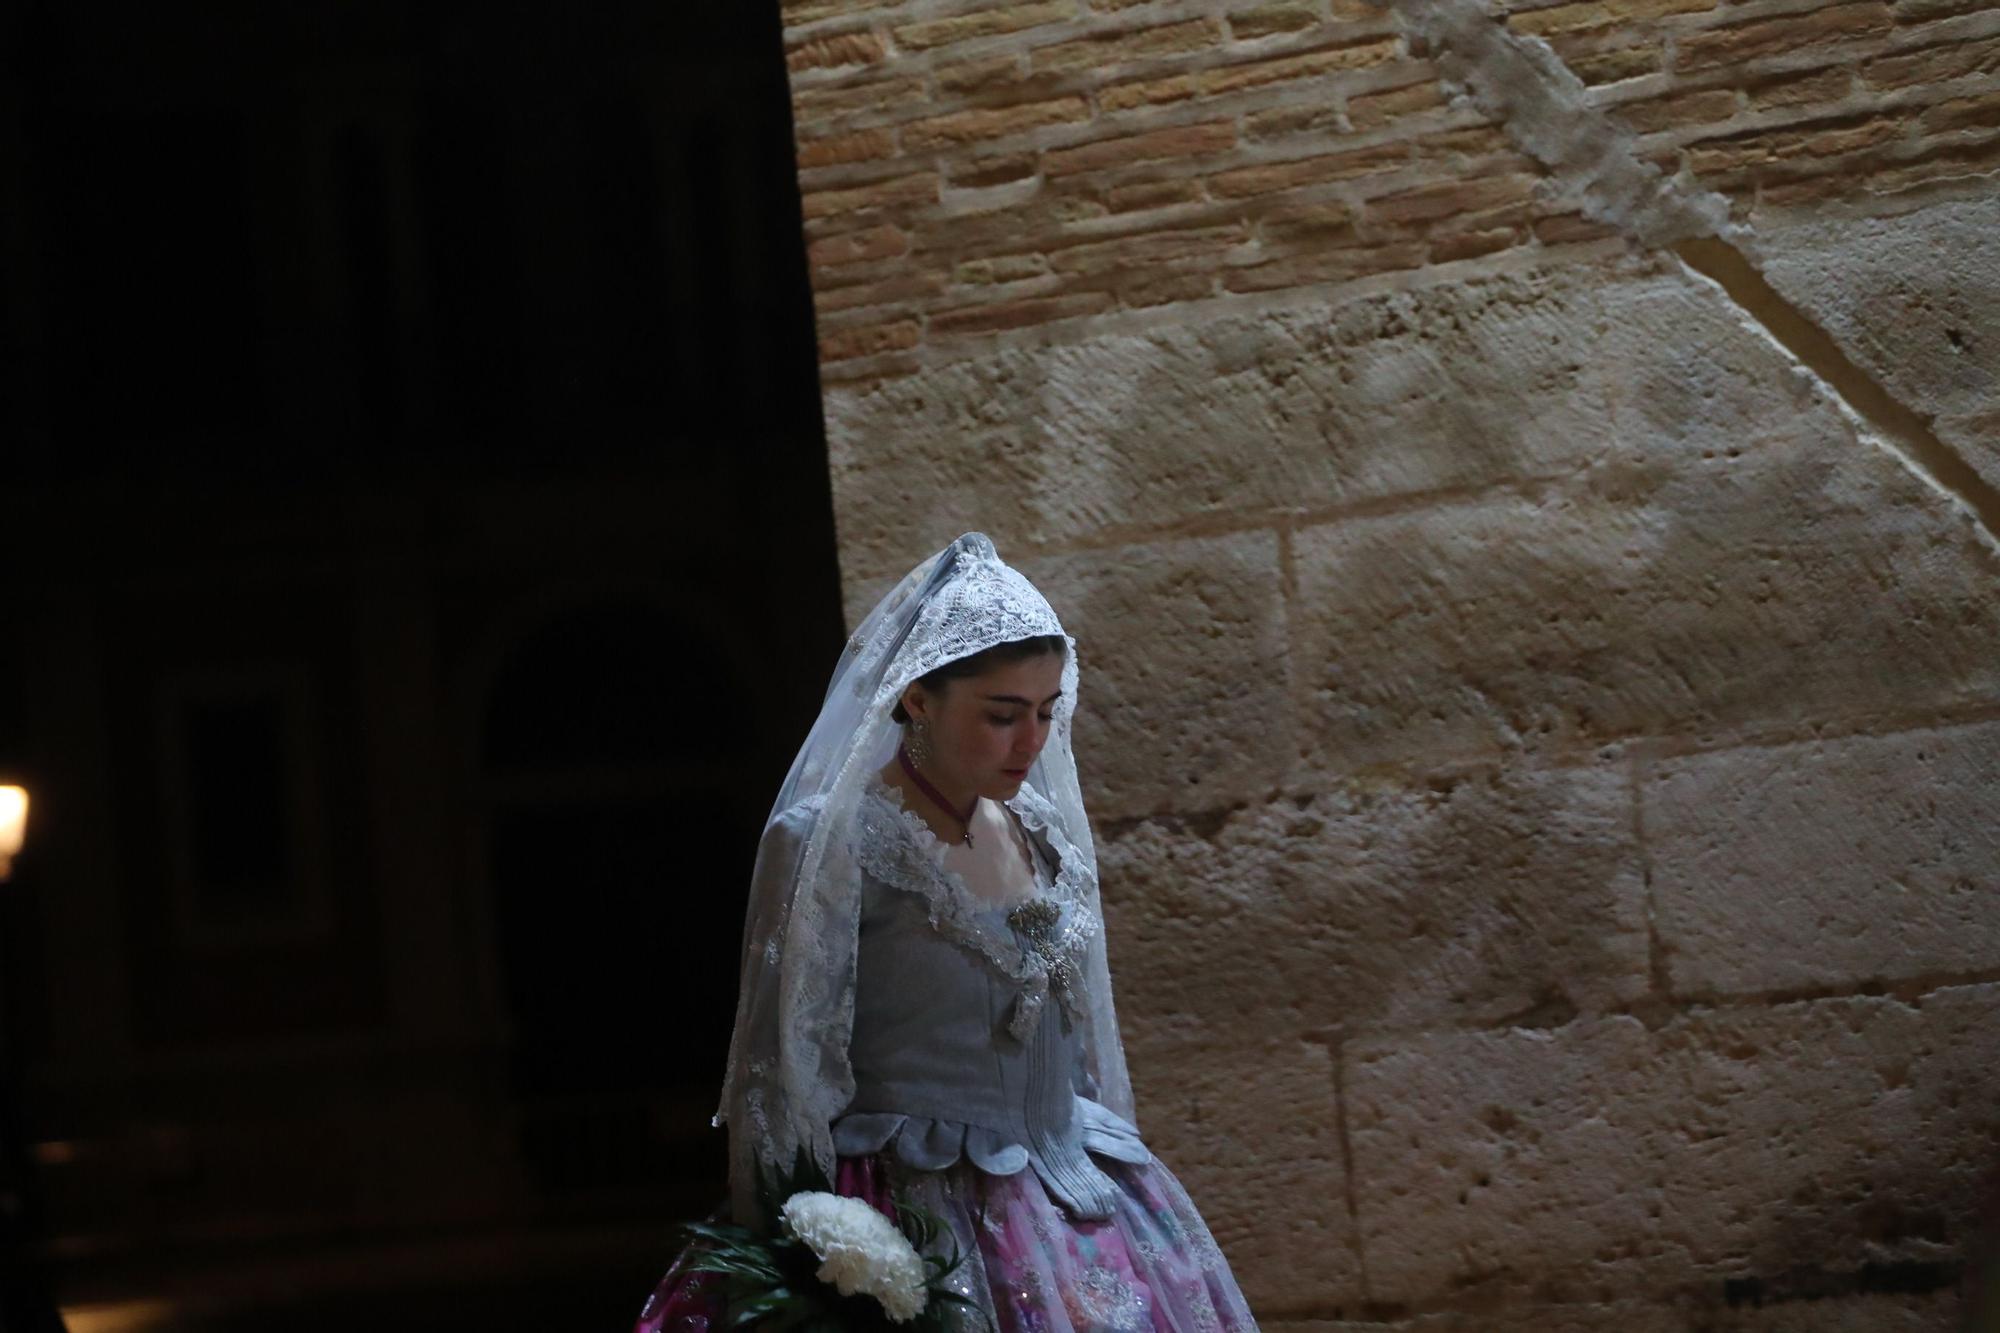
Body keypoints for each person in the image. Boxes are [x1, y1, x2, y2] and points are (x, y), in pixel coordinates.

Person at [633, 533, 1257, 1333]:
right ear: (917, 697)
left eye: (1044, 711)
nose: (1030, 741)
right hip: (917, 1207)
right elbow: (783, 1068)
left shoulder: (1039, 830)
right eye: (1001, 714)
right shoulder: (835, 839)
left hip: (1071, 1197)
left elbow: (1082, 1036)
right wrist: (798, 1251)